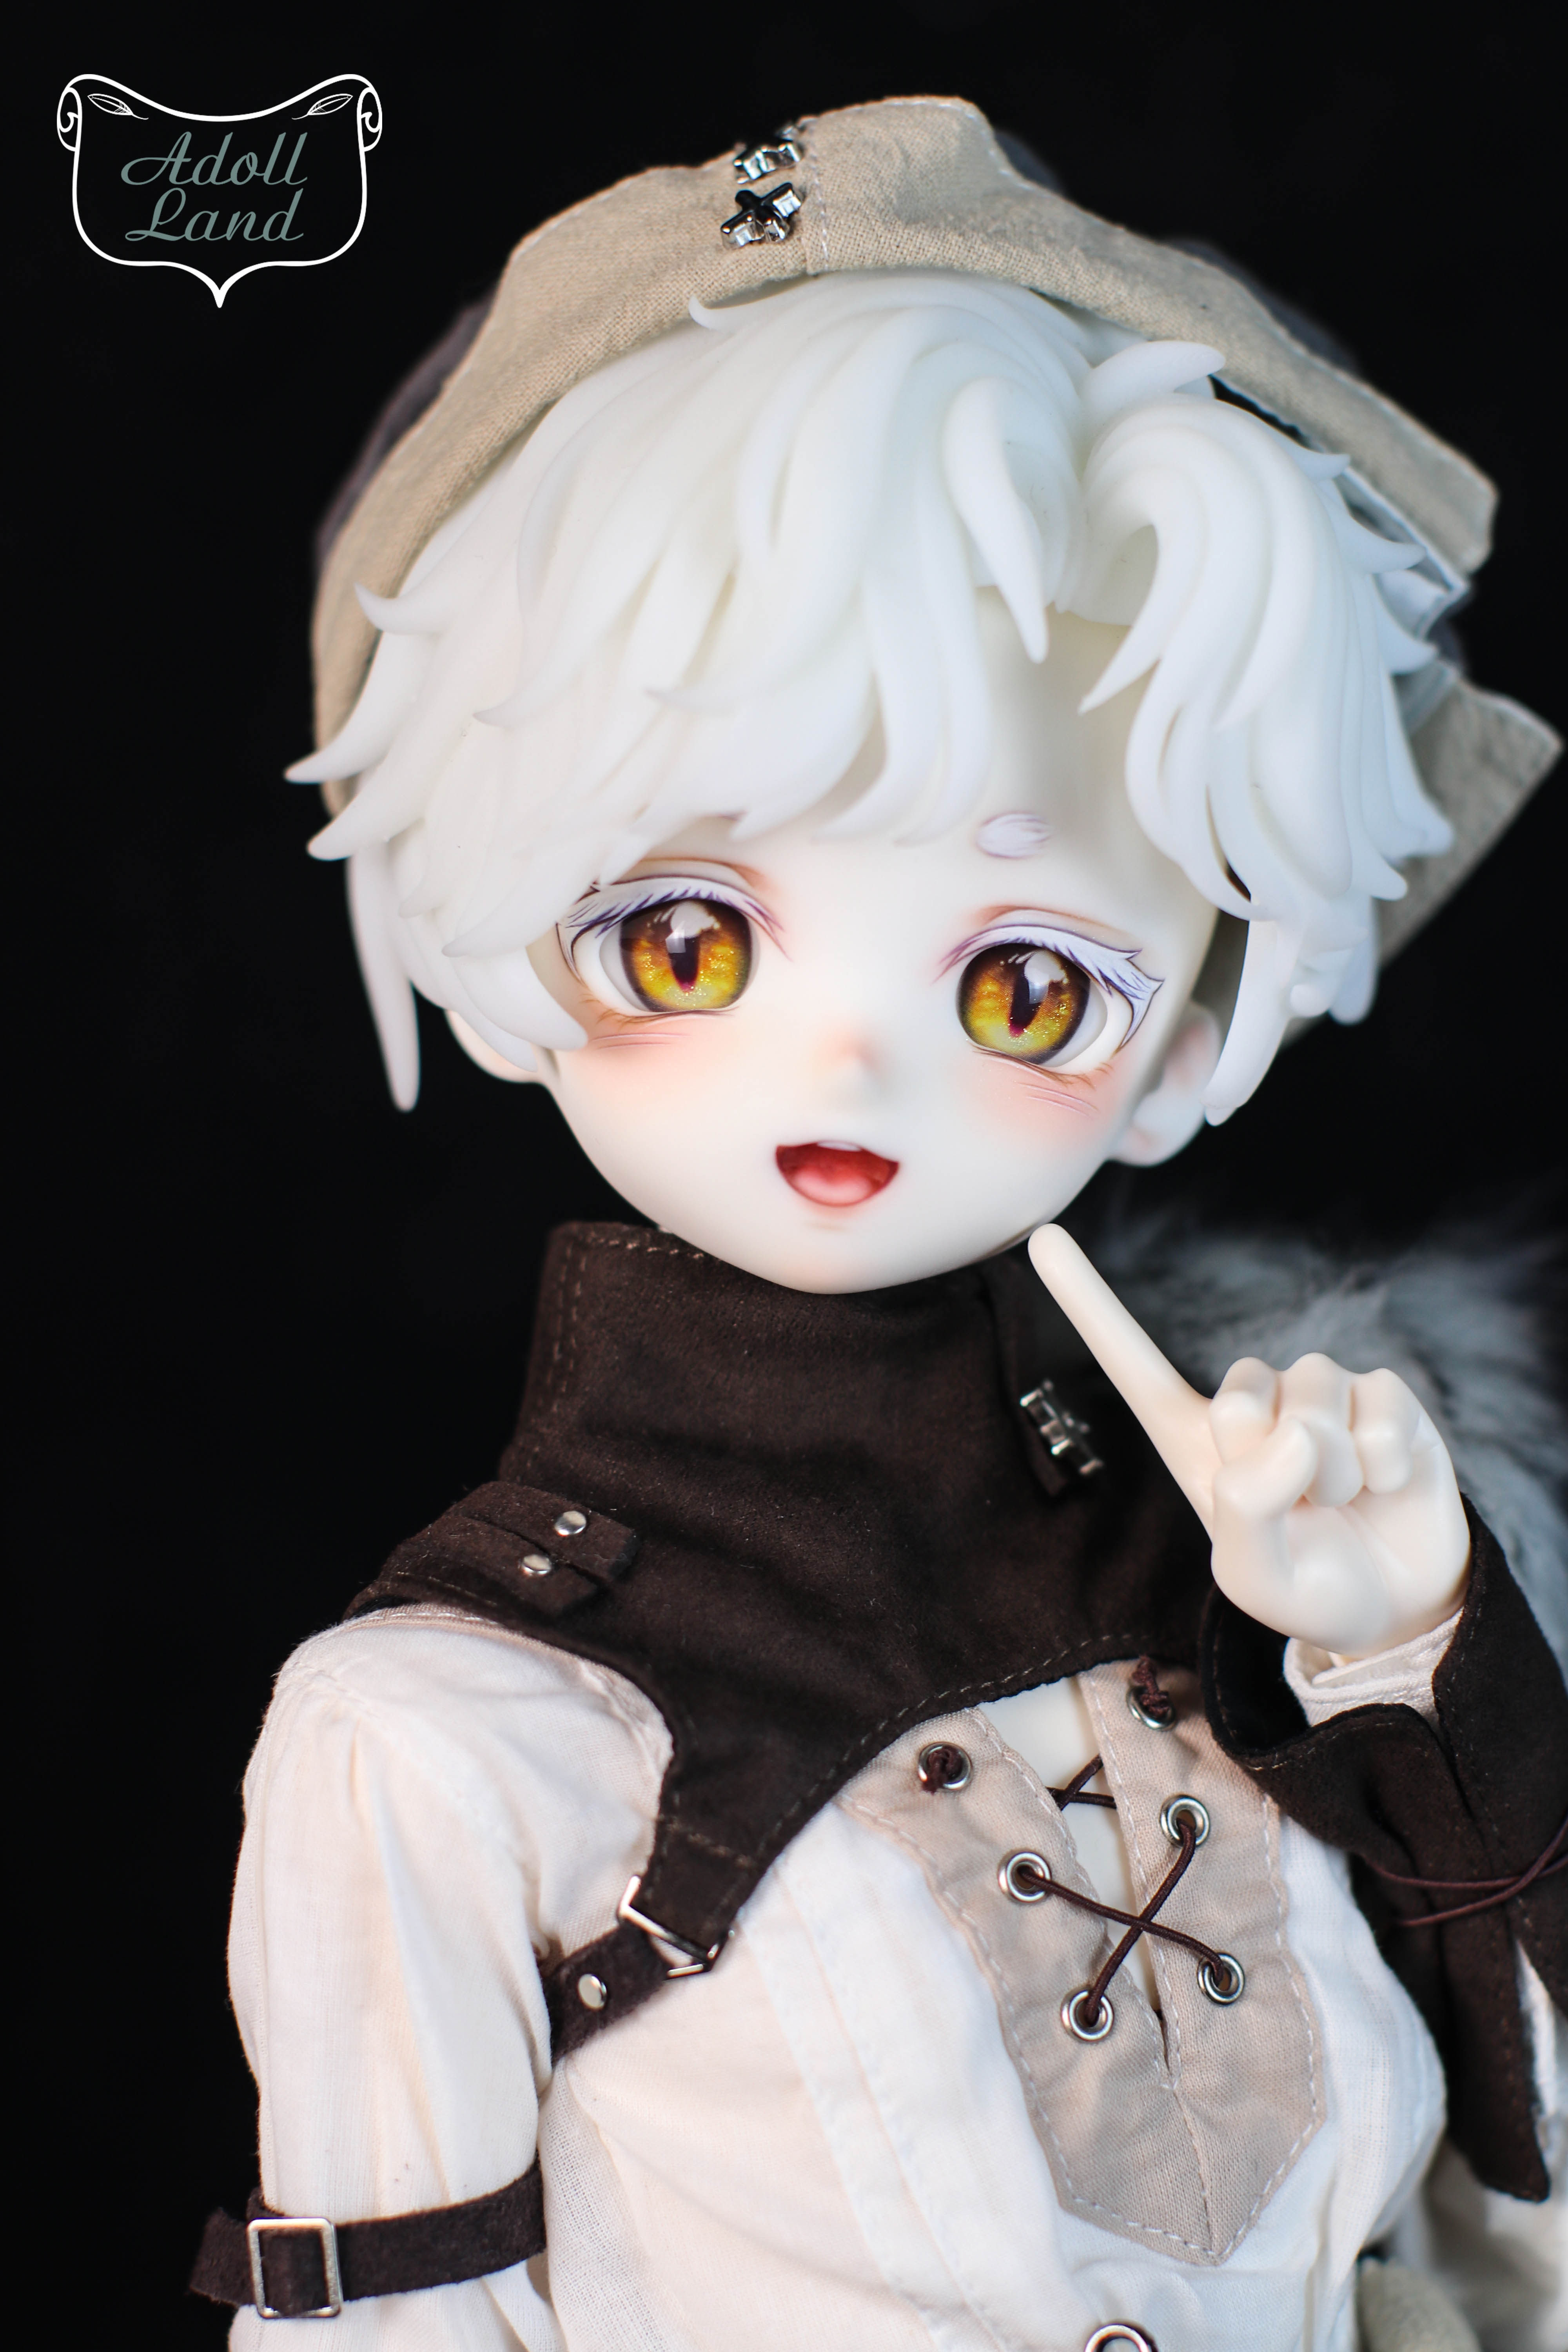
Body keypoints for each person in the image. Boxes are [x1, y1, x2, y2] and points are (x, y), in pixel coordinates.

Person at [193, 101, 1564, 2352]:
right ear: (499, 922)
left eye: (1026, 986)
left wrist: (1412, 1655)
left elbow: (1512, 2190)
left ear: (1188, 1025)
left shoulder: (1257, 1561)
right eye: (688, 941)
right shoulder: (449, 1733)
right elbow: (388, 2321)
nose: (845, 1069)